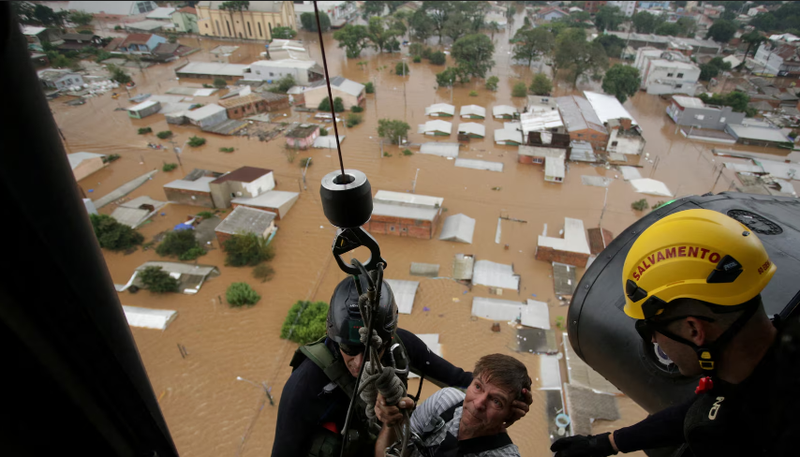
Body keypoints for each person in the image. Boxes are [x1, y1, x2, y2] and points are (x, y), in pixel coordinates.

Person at [551, 209, 800, 457]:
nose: (652, 340)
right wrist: (608, 442)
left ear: (694, 329)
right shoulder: (765, 362)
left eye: (650, 329)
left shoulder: (751, 436)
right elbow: (699, 409)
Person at [272, 276, 532, 457]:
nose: (361, 363)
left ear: (388, 337)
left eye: (375, 349)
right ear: (333, 336)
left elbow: (465, 383)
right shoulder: (306, 385)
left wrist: (509, 403)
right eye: (350, 349)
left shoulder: (401, 347)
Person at [374, 354, 531, 457]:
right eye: (478, 387)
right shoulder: (444, 402)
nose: (478, 404)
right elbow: (386, 454)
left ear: (510, 414)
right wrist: (392, 422)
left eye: (496, 401)